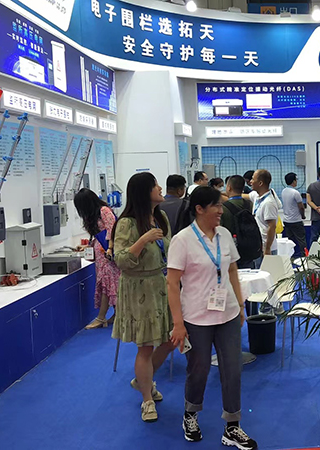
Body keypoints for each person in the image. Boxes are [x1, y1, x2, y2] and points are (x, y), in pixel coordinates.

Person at [165, 187, 257, 449]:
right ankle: (190, 414)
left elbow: (232, 270)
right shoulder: (182, 240)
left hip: (227, 314)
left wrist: (240, 305)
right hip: (196, 318)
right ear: (199, 209)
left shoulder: (224, 234)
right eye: (216, 205)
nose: (220, 210)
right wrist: (178, 323)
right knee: (199, 369)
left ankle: (232, 426)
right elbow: (172, 284)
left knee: (233, 370)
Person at [111, 172, 175, 423]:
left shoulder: (161, 217)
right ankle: (147, 400)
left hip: (162, 284)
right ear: (143, 192)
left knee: (171, 340)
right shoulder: (126, 223)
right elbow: (120, 260)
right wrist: (143, 240)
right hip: (139, 289)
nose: (160, 188)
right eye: (155, 185)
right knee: (146, 346)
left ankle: (142, 380)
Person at [74, 188, 120, 329]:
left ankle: (101, 317)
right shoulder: (93, 215)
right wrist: (88, 246)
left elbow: (113, 230)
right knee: (109, 283)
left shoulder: (104, 211)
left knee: (107, 283)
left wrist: (110, 248)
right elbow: (99, 234)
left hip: (107, 253)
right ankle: (117, 314)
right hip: (101, 253)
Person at [221, 176, 262, 269]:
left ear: (229, 188)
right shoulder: (249, 204)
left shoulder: (223, 208)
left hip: (231, 250)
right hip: (248, 247)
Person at [252, 169, 280, 259]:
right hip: (259, 246)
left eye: (253, 179)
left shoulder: (269, 203)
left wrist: (267, 249)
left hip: (267, 248)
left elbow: (272, 226)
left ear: (260, 183)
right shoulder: (257, 198)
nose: (251, 182)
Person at [282, 172, 306, 258]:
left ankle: (290, 258)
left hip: (286, 220)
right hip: (296, 221)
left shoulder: (284, 191)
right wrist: (303, 216)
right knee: (302, 241)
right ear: (293, 181)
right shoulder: (295, 193)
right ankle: (304, 258)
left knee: (289, 242)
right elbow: (301, 207)